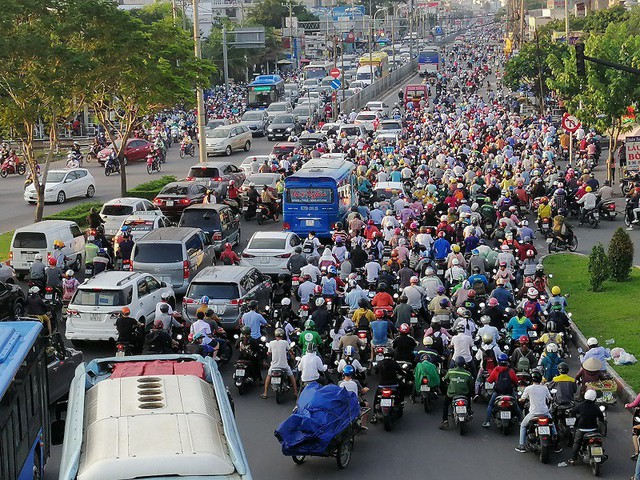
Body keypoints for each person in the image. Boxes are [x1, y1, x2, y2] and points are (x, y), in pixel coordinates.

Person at [515, 371, 560, 453]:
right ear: (540, 379)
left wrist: (519, 399)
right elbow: (550, 398)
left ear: (532, 379)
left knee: (523, 425)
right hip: (545, 412)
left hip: (533, 413)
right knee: (552, 425)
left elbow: (522, 399)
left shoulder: (528, 388)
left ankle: (521, 445)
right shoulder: (544, 388)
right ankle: (557, 445)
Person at [566, 389, 605, 465]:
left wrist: (573, 418)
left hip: (581, 429)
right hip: (593, 429)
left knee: (577, 443)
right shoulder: (596, 407)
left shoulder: (581, 405)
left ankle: (573, 459)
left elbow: (573, 411)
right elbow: (601, 417)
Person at [483, 353, 519, 428]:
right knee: (516, 405)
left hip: (498, 392)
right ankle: (521, 420)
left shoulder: (496, 370)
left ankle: (487, 422)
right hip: (509, 392)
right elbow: (516, 381)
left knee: (490, 405)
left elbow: (489, 380)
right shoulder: (510, 371)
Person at [440, 356, 475, 430]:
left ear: (455, 363)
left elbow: (445, 379)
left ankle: (445, 421)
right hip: (464, 394)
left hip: (451, 394)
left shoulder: (451, 371)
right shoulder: (468, 374)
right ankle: (468, 410)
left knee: (445, 404)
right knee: (469, 397)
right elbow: (471, 384)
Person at [262, 328, 298, 398]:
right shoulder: (285, 342)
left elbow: (269, 353)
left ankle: (265, 393)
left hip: (274, 366)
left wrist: (268, 353)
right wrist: (292, 353)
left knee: (268, 376)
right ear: (282, 335)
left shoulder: (271, 343)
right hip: (284, 365)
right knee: (292, 376)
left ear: (275, 335)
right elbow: (290, 350)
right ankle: (295, 392)